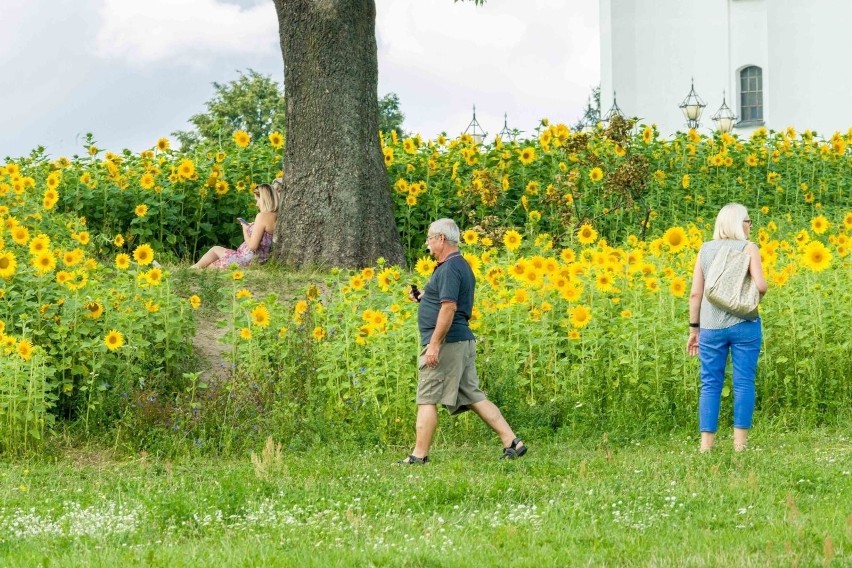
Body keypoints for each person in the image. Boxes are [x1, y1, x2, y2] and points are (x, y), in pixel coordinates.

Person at [398, 218, 527, 464]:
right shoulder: (459, 266)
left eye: (429, 238)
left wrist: (434, 345)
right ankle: (512, 441)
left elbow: (448, 308)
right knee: (474, 396)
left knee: (427, 397)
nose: (427, 244)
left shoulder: (449, 268)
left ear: (441, 239)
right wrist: (425, 298)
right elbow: (444, 299)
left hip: (448, 343)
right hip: (460, 341)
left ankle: (418, 455)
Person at [687, 203, 767, 453]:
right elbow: (762, 286)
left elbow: (695, 294)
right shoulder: (749, 248)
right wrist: (746, 301)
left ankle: (706, 446)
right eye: (747, 221)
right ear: (736, 224)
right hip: (745, 324)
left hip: (711, 327)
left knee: (710, 383)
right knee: (744, 382)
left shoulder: (705, 250)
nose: (750, 225)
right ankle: (740, 446)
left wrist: (694, 329)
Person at [192, 183, 279, 269]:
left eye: (257, 200)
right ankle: (194, 268)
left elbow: (253, 246)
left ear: (264, 199)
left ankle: (193, 269)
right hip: (255, 259)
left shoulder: (262, 216)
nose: (257, 204)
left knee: (209, 267)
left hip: (245, 259)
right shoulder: (276, 215)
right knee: (215, 249)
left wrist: (245, 229)